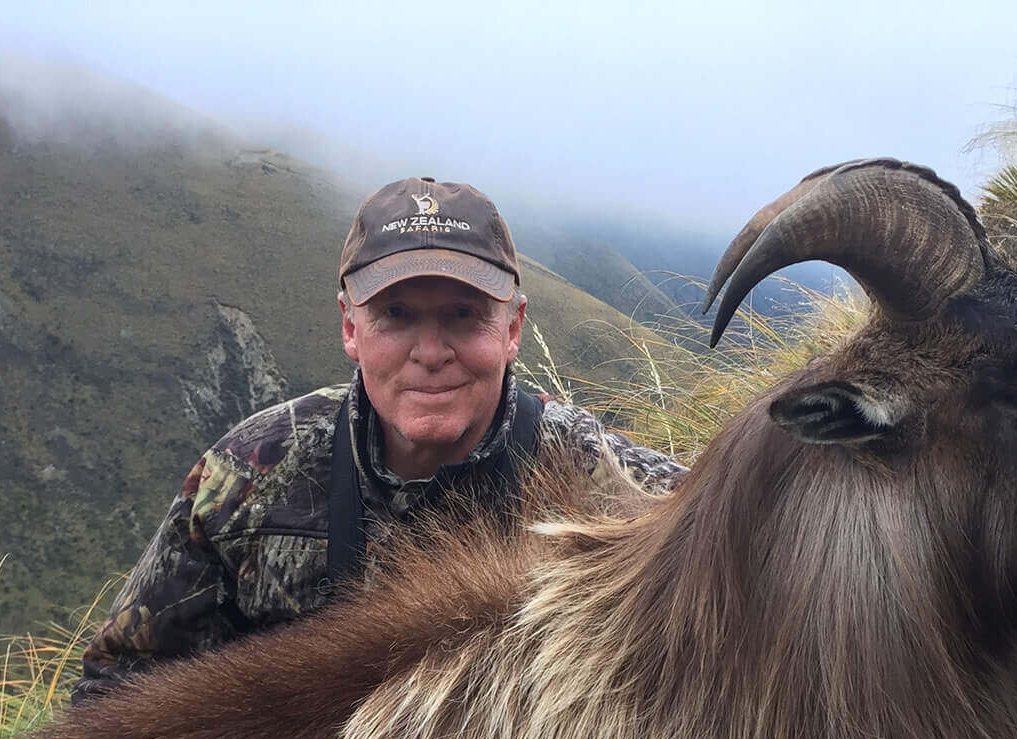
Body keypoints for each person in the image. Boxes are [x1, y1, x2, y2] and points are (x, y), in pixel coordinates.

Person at [72, 176, 685, 700]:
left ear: (512, 328)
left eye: (464, 315)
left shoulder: (593, 474)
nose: (430, 353)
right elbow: (117, 687)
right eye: (396, 315)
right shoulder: (251, 473)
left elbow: (730, 525)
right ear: (350, 327)